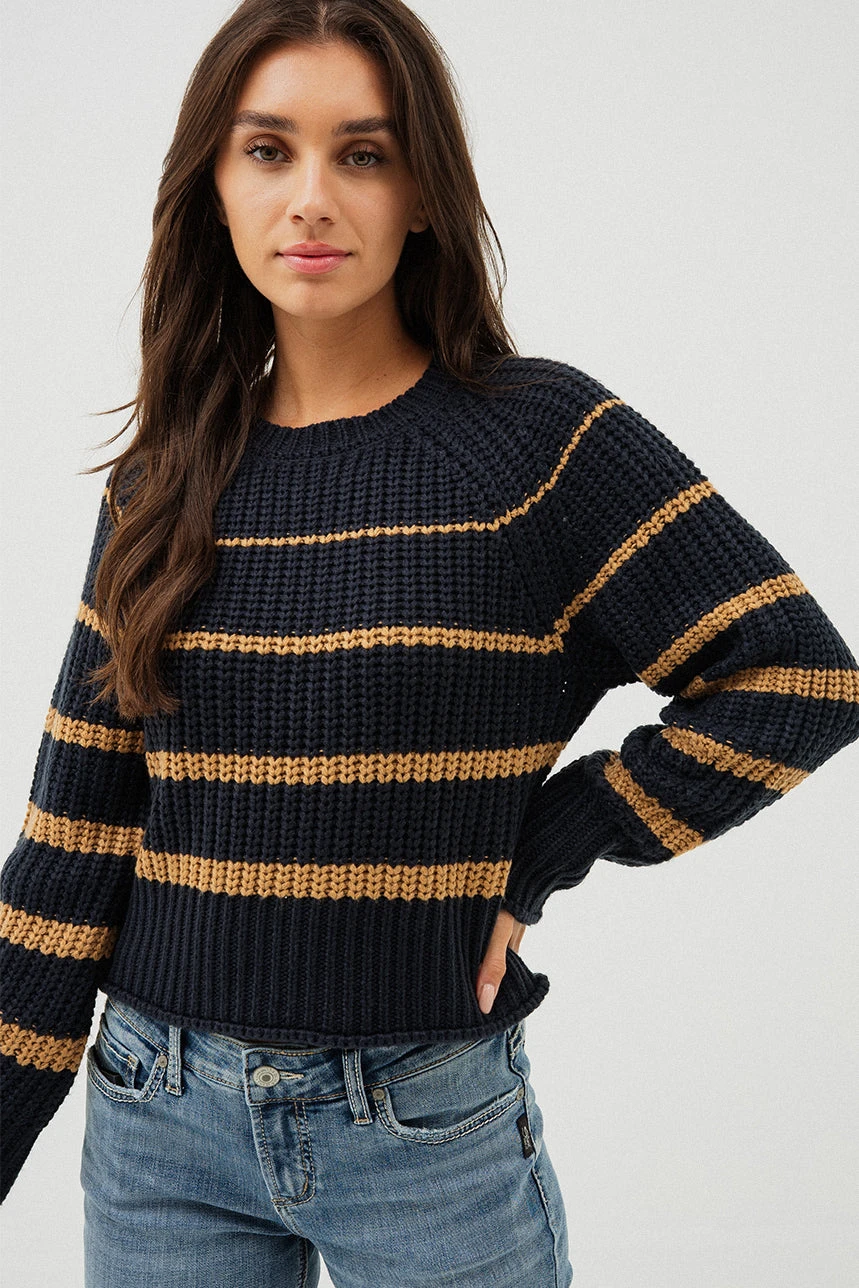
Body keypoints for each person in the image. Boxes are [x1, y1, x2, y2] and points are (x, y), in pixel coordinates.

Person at [1, 0, 857, 1283]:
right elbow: (73, 838)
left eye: (363, 153)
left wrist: (553, 841)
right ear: (212, 191)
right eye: (267, 150)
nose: (310, 197)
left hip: (421, 1126)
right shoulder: (164, 478)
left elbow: (799, 677)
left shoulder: (535, 447)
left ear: (421, 195)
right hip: (156, 1112)